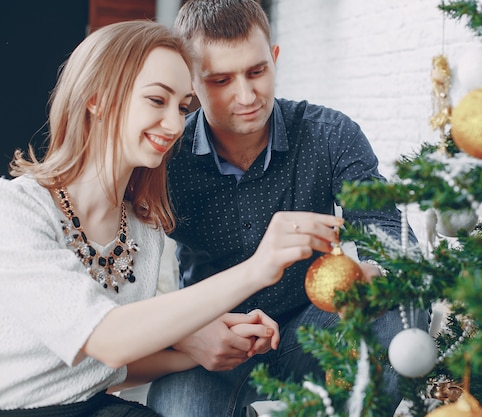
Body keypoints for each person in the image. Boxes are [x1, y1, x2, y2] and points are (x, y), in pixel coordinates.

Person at [0, 19, 342, 416]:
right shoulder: (16, 211)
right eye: (156, 100)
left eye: (182, 107)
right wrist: (257, 269)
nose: (176, 124)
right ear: (96, 97)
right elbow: (107, 340)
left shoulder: (142, 229)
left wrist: (205, 349)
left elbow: (104, 368)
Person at [146, 1, 430, 416]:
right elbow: (125, 291)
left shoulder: (330, 134)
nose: (246, 96)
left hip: (311, 332)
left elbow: (395, 243)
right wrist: (183, 335)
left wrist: (376, 275)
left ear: (275, 58)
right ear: (191, 82)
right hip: (210, 343)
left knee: (399, 310)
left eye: (257, 72)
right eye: (221, 79)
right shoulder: (166, 157)